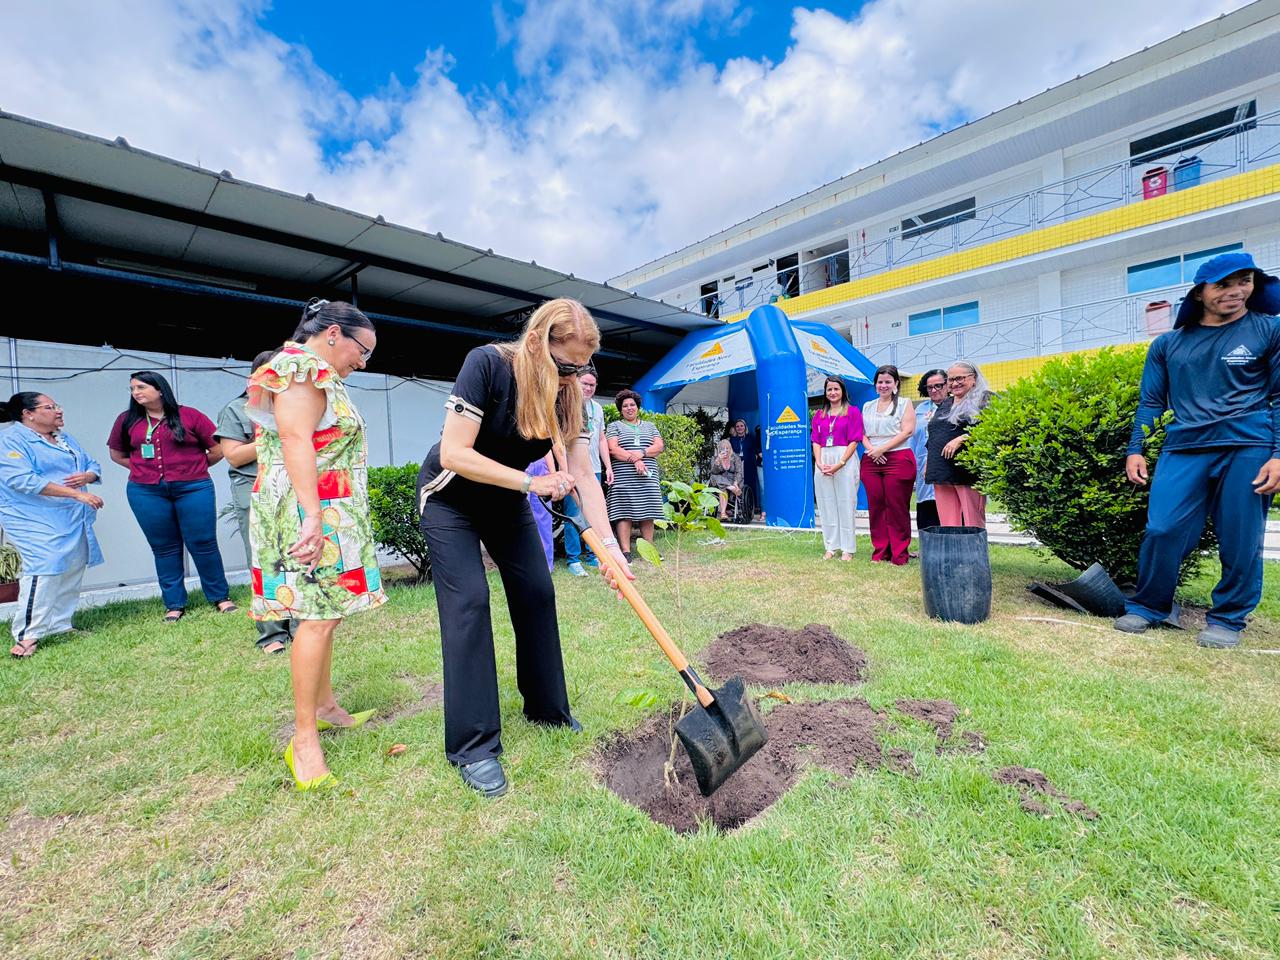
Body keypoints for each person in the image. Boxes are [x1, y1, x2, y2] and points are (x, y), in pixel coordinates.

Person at [417, 298, 632, 798]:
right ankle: (473, 746)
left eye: (583, 368)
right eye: (566, 366)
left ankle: (546, 708)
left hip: (505, 500)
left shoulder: (568, 394)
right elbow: (454, 452)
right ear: (536, 342)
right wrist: (532, 483)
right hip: (450, 500)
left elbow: (583, 474)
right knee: (470, 602)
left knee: (537, 591)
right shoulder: (487, 365)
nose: (574, 378)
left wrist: (610, 548)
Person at [248, 299, 388, 791]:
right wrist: (311, 517)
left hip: (330, 507)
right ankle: (304, 739)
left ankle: (326, 706)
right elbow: (294, 440)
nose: (362, 362)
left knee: (327, 614)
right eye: (362, 350)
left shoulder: (317, 372)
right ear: (333, 334)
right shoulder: (299, 368)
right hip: (309, 511)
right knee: (315, 616)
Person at [1114, 251, 1280, 649]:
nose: (1235, 291)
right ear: (1200, 293)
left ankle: (1228, 618)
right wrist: (1136, 448)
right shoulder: (1168, 344)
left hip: (1248, 445)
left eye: (1244, 282)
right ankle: (1149, 605)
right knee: (1163, 528)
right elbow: (1151, 402)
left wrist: (1278, 455)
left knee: (1240, 536)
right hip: (1184, 445)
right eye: (1222, 285)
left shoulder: (1269, 330)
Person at [108, 371, 237, 622]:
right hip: (146, 491)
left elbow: (217, 449)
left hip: (193, 488)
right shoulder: (126, 420)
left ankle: (220, 597)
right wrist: (143, 470)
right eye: (132, 389)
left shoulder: (190, 415)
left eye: (141, 387)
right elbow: (117, 454)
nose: (136, 393)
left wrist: (193, 469)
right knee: (164, 548)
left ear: (160, 389)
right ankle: (174, 604)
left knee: (203, 543)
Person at [0, 393, 104, 658]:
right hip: (32, 517)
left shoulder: (63, 438)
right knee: (44, 567)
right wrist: (77, 494)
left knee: (72, 566)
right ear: (28, 414)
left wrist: (88, 476)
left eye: (58, 406)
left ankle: (59, 624)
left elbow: (91, 463)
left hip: (71, 517)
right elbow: (22, 480)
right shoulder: (10, 440)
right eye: (50, 407)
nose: (58, 411)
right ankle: (28, 635)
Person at [215, 349, 297, 654]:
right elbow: (234, 456)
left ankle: (301, 626)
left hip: (294, 488)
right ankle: (272, 632)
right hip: (255, 489)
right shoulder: (237, 409)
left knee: (298, 559)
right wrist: (277, 435)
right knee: (266, 561)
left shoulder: (296, 406)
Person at [861, 365, 918, 565]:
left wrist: (882, 449)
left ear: (896, 384)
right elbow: (862, 433)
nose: (883, 385)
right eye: (880, 382)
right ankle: (880, 551)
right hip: (871, 459)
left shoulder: (904, 403)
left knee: (896, 506)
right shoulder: (868, 406)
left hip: (898, 457)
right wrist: (872, 450)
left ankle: (899, 554)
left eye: (888, 382)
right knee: (876, 506)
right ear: (875, 384)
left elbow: (907, 431)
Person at [924, 361, 992, 528]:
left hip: (966, 472)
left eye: (960, 378)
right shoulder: (946, 403)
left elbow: (992, 427)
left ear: (973, 378)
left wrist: (963, 438)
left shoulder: (985, 398)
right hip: (941, 471)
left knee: (973, 523)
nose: (954, 383)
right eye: (951, 379)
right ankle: (952, 547)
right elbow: (935, 433)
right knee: (948, 524)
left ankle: (974, 547)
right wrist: (928, 463)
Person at [562, 365, 611, 576]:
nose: (589, 388)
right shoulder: (566, 404)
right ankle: (573, 559)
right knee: (573, 514)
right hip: (572, 469)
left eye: (592, 385)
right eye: (585, 384)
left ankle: (593, 554)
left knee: (593, 512)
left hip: (594, 469)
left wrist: (608, 466)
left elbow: (601, 439)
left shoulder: (597, 408)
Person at [606, 390, 666, 560]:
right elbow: (613, 449)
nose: (629, 408)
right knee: (624, 513)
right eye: (625, 406)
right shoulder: (614, 426)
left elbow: (659, 447)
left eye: (632, 405)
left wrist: (642, 453)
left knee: (648, 512)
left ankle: (649, 550)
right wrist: (635, 460)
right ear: (620, 409)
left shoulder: (650, 426)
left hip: (648, 477)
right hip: (624, 477)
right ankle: (626, 552)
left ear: (638, 407)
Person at [810, 376, 864, 560]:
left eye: (836, 389)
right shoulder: (819, 415)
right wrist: (819, 462)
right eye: (829, 389)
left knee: (846, 502)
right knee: (826, 503)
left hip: (844, 459)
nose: (832, 392)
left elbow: (855, 441)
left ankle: (848, 548)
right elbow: (816, 441)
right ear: (825, 393)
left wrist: (840, 463)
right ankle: (831, 546)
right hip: (823, 459)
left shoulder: (853, 412)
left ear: (843, 391)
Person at [909, 370, 948, 532]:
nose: (934, 390)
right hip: (923, 467)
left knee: (948, 509)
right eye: (929, 387)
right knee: (927, 509)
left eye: (938, 385)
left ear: (947, 385)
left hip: (947, 468)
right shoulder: (920, 410)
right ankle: (927, 544)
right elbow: (912, 439)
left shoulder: (955, 406)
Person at [728, 419, 760, 518]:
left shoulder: (750, 437)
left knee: (750, 484)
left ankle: (752, 506)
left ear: (745, 427)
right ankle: (738, 506)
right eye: (737, 426)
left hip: (749, 464)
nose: (739, 428)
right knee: (737, 484)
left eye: (741, 426)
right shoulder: (732, 439)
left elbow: (755, 450)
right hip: (737, 465)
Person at [708, 438, 744, 520]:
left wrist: (735, 483)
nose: (725, 450)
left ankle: (723, 513)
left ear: (730, 448)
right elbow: (714, 472)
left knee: (722, 487)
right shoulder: (715, 458)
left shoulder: (735, 457)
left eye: (727, 448)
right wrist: (718, 461)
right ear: (719, 449)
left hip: (731, 481)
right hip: (717, 481)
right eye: (723, 448)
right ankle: (730, 487)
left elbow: (739, 472)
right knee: (714, 476)